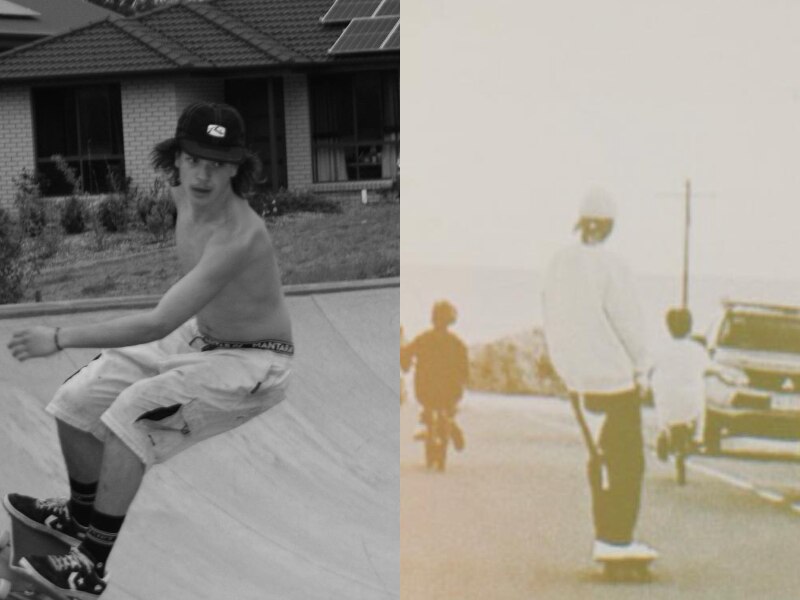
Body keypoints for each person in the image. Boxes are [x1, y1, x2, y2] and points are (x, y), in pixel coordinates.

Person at [5, 101, 294, 599]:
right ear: (176, 158)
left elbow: (158, 320)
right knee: (75, 402)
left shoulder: (239, 236)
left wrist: (59, 337)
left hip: (251, 362)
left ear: (238, 168)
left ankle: (89, 565)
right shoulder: (180, 192)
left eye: (220, 165)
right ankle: (78, 516)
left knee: (130, 417)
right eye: (195, 159)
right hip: (198, 338)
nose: (205, 175)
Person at [542, 188, 658, 562]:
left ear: (580, 225)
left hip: (576, 379)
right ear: (609, 228)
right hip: (614, 379)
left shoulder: (559, 262)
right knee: (628, 461)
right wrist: (643, 368)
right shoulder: (613, 266)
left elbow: (550, 314)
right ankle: (618, 538)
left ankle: (605, 534)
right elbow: (630, 323)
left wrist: (563, 367)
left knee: (599, 457)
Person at [401, 300, 468, 451]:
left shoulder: (423, 339)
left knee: (428, 406)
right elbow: (464, 368)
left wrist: (405, 364)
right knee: (448, 406)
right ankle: (450, 422)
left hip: (426, 388)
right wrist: (462, 380)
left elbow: (406, 353)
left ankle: (433, 420)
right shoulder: (456, 343)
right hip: (450, 390)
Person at [652, 308, 709, 460]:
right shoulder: (698, 350)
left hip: (667, 399)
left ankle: (663, 433)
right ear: (689, 327)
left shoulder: (660, 348)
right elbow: (708, 368)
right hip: (691, 400)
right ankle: (698, 438)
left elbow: (650, 367)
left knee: (660, 399)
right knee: (702, 399)